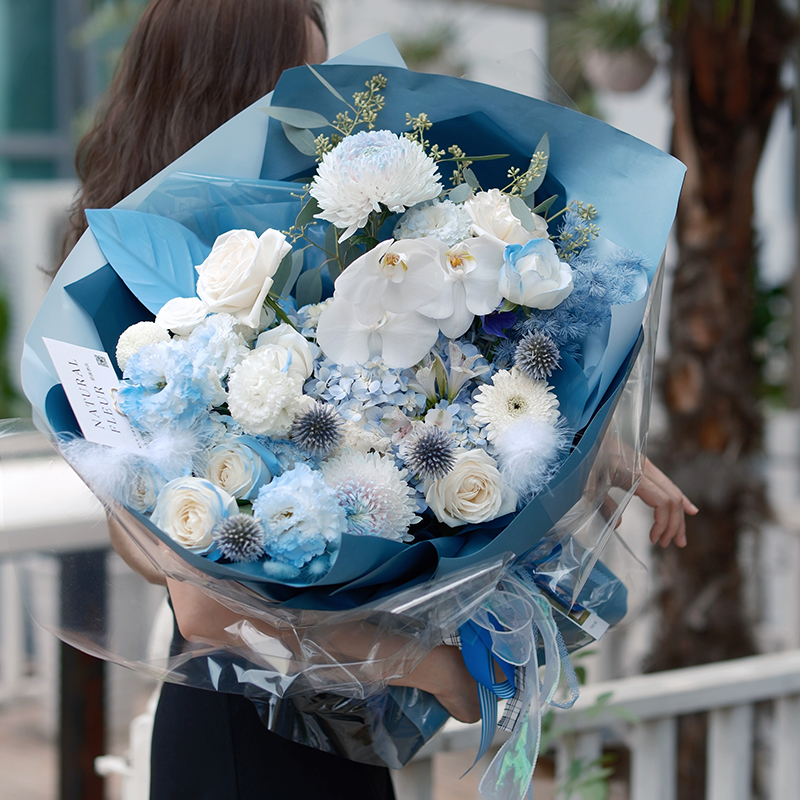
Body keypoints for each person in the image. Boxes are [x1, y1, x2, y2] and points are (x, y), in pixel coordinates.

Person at [58, 1, 697, 797]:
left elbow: (419, 410)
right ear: (223, 91)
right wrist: (433, 668)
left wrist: (586, 451)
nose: (316, 107)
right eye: (297, 81)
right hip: (237, 732)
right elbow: (197, 600)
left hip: (340, 728)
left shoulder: (318, 263)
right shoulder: (140, 306)